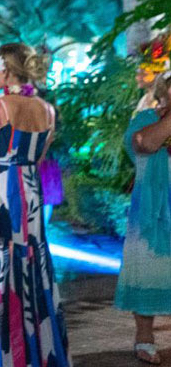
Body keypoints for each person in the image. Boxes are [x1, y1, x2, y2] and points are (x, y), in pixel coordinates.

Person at [0, 43, 71, 367]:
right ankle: (35, 352)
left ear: (6, 68)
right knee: (32, 262)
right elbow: (39, 156)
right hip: (30, 195)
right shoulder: (47, 110)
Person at [118, 36, 171, 366]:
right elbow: (145, 145)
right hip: (154, 212)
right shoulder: (145, 120)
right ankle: (145, 337)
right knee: (149, 268)